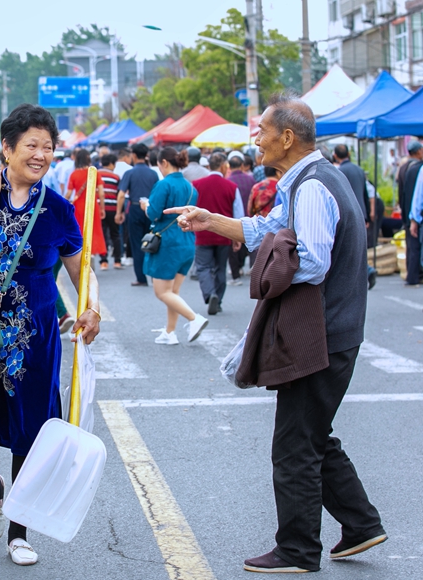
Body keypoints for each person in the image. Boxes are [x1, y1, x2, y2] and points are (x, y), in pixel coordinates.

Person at [169, 94, 385, 573]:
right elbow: (268, 227)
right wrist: (213, 221)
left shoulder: (312, 186)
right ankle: (362, 524)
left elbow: (309, 260)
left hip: (321, 333)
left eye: (262, 130)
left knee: (294, 447)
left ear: (287, 137)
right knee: (312, 435)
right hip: (332, 331)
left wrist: (267, 264)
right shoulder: (306, 180)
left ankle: (298, 550)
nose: (256, 138)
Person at [0, 103, 100, 566]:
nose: (40, 155)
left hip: (34, 339)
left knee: (31, 434)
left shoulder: (57, 209)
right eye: (31, 145)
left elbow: (81, 269)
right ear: (7, 147)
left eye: (48, 147)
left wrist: (90, 307)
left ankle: (20, 528)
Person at [140, 147, 207, 345]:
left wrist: (145, 206)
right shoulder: (190, 187)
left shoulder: (164, 185)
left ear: (164, 163)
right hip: (186, 241)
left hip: (167, 243)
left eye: (159, 164)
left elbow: (154, 214)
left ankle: (194, 319)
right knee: (173, 292)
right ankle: (170, 332)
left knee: (162, 292)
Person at [192, 153, 245, 315]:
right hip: (224, 233)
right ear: (223, 166)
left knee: (202, 267)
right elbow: (238, 214)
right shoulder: (231, 187)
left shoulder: (197, 184)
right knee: (220, 268)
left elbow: (191, 207)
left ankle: (210, 293)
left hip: (203, 233)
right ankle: (219, 300)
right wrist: (237, 236)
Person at [115, 143, 159, 286]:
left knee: (136, 243)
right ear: (146, 155)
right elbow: (157, 194)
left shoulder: (130, 173)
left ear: (133, 155)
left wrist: (118, 212)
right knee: (152, 242)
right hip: (150, 210)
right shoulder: (153, 173)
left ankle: (141, 278)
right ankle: (154, 276)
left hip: (134, 208)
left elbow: (121, 195)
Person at [66, 148, 106, 263]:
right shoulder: (95, 173)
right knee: (94, 230)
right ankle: (92, 254)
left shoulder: (74, 174)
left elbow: (68, 194)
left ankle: (83, 253)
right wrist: (102, 208)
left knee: (80, 230)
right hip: (93, 206)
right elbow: (102, 193)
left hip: (78, 207)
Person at [227, 152, 256, 282]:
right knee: (246, 242)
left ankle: (237, 269)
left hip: (233, 217)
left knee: (235, 243)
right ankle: (245, 265)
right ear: (242, 165)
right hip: (250, 215)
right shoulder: (251, 179)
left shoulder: (228, 181)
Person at [397, 141, 423, 285]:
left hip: (408, 211)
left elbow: (404, 192)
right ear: (418, 151)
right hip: (414, 212)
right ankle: (414, 276)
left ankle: (411, 275)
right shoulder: (417, 168)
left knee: (411, 245)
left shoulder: (404, 168)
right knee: (414, 246)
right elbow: (417, 196)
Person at [98, 154, 123, 269]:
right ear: (112, 163)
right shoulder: (116, 177)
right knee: (115, 235)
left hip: (99, 210)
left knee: (102, 235)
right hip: (113, 209)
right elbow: (119, 195)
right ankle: (117, 261)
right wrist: (120, 211)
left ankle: (104, 261)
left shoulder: (96, 175)